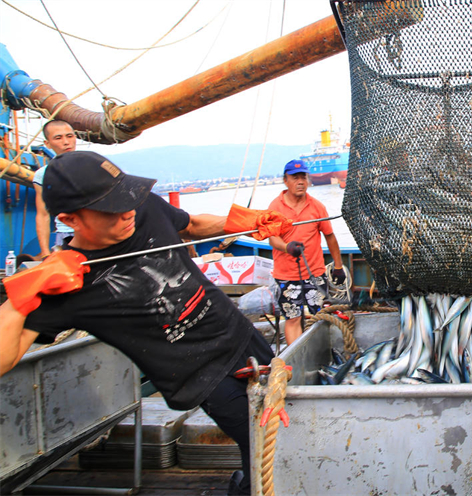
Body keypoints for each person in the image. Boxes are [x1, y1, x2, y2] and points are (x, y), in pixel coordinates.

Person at [0, 151, 291, 495]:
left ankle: (244, 482)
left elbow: (192, 225)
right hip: (202, 376)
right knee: (272, 445)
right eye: (111, 208)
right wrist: (20, 298)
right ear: (71, 219)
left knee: (284, 426)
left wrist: (245, 221)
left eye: (127, 197)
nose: (127, 212)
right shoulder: (64, 282)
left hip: (239, 335)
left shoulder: (142, 208)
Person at [268, 159, 346, 345]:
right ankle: (296, 360)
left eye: (303, 177)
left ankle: (319, 356)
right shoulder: (274, 207)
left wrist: (338, 266)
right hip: (287, 275)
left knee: (319, 316)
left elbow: (330, 236)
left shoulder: (317, 206)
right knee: (293, 318)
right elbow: (272, 238)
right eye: (295, 178)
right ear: (285, 180)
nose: (300, 181)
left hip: (315, 273)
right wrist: (287, 247)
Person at [32, 120, 77, 258]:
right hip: (66, 235)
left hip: (96, 234)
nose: (66, 142)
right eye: (58, 138)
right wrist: (45, 253)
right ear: (47, 144)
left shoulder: (94, 166)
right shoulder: (43, 174)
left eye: (70, 136)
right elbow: (43, 214)